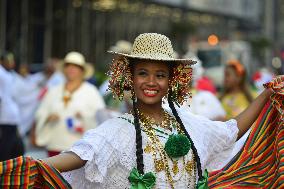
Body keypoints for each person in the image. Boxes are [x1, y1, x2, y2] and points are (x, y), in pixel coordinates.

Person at [0, 33, 279, 188]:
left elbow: (231, 130)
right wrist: (27, 166)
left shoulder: (187, 122)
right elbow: (80, 155)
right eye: (143, 72)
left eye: (160, 74)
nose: (151, 82)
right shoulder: (117, 130)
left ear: (172, 80)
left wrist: (267, 93)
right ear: (129, 77)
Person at [34, 51, 105, 157]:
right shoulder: (53, 90)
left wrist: (85, 116)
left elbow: (102, 117)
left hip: (81, 148)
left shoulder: (91, 91)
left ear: (82, 71)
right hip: (55, 145)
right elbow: (40, 113)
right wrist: (48, 117)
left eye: (76, 66)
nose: (71, 69)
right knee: (52, 173)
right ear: (64, 69)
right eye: (68, 65)